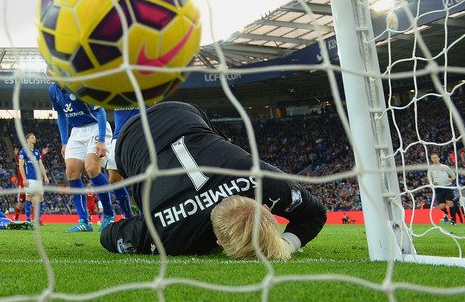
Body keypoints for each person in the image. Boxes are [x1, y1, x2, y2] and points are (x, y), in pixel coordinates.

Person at [100, 101, 326, 258]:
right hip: (129, 141)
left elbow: (316, 214)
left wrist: (283, 243)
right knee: (138, 192)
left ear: (266, 207)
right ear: (218, 244)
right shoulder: (169, 236)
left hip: (182, 114)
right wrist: (146, 223)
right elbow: (108, 235)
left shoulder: (264, 180)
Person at [49, 82, 116, 232]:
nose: (47, 70)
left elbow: (100, 111)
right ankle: (84, 221)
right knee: (71, 172)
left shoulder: (80, 84)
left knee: (92, 168)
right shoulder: (53, 90)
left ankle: (109, 214)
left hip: (95, 126)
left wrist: (101, 140)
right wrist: (64, 142)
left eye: (50, 66)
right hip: (77, 131)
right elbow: (61, 114)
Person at [104, 107, 140, 220]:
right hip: (118, 136)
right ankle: (129, 216)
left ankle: (144, 216)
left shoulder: (143, 90)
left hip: (139, 134)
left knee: (140, 177)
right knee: (114, 180)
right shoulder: (116, 90)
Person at [18, 133, 50, 224]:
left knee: (41, 198)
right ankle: (28, 219)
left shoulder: (37, 151)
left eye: (35, 137)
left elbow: (41, 165)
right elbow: (21, 166)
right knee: (29, 197)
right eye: (32, 137)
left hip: (38, 179)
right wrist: (24, 179)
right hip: (29, 178)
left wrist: (45, 176)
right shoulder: (23, 151)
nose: (34, 139)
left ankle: (38, 220)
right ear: (27, 139)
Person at [428, 153, 457, 225]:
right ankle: (446, 213)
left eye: (435, 157)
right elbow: (429, 178)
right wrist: (432, 183)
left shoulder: (445, 167)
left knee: (450, 203)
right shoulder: (430, 169)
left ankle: (453, 220)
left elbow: (453, 176)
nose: (434, 159)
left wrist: (451, 179)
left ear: (438, 158)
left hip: (447, 186)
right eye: (433, 158)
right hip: (438, 188)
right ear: (431, 159)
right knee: (442, 206)